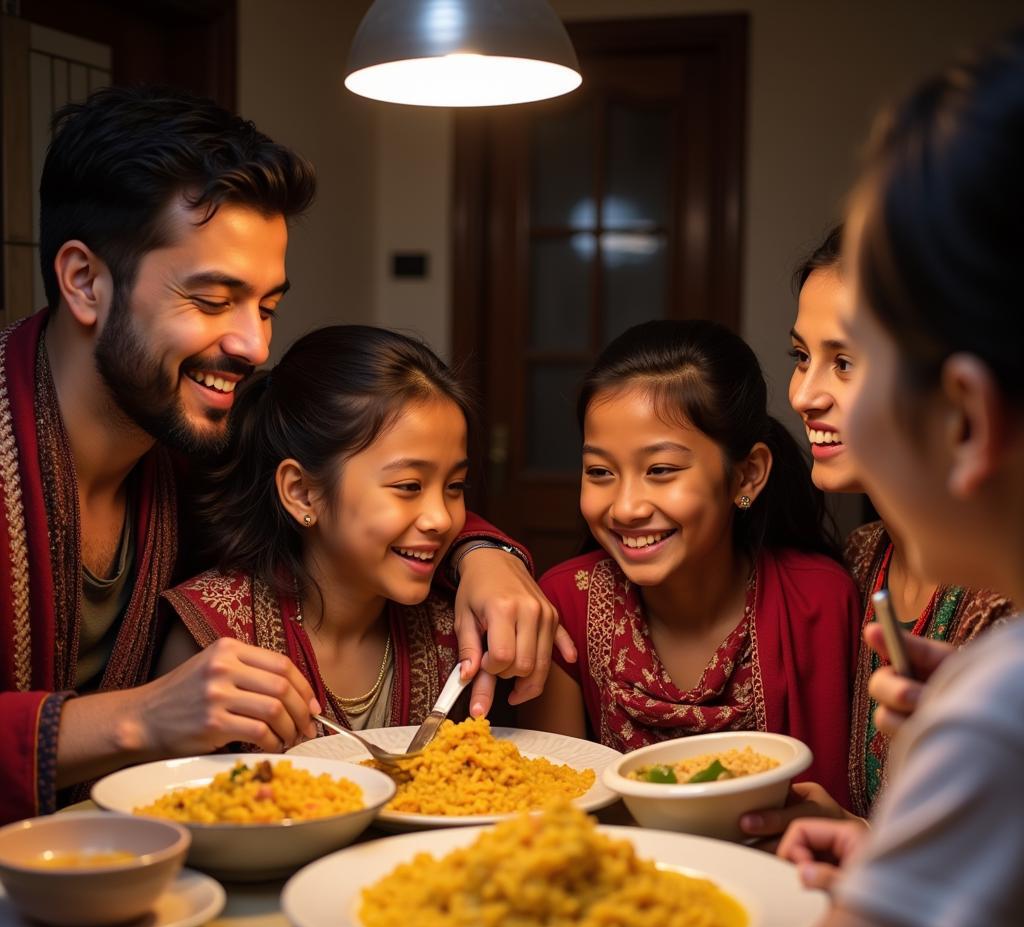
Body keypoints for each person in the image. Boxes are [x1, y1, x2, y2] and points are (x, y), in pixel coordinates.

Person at [0, 86, 570, 826]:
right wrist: (137, 718)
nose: (254, 345)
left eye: (266, 307)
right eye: (212, 301)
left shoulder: (190, 444)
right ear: (84, 281)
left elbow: (358, 487)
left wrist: (486, 554)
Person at [736, 27, 1024, 927]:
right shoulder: (854, 563)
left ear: (965, 415)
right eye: (801, 356)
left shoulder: (1005, 701)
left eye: (861, 362)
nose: (816, 398)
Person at [740, 226, 1013, 837]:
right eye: (801, 358)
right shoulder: (865, 557)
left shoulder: (1005, 595)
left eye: (845, 363)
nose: (806, 395)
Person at [519, 320, 859, 808]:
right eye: (600, 472)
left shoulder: (820, 601)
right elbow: (556, 815)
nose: (626, 507)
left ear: (747, 474)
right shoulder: (565, 607)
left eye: (660, 471)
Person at [158, 325, 475, 728]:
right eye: (408, 486)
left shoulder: (456, 637)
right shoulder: (215, 639)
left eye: (455, 486)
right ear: (303, 494)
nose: (441, 519)